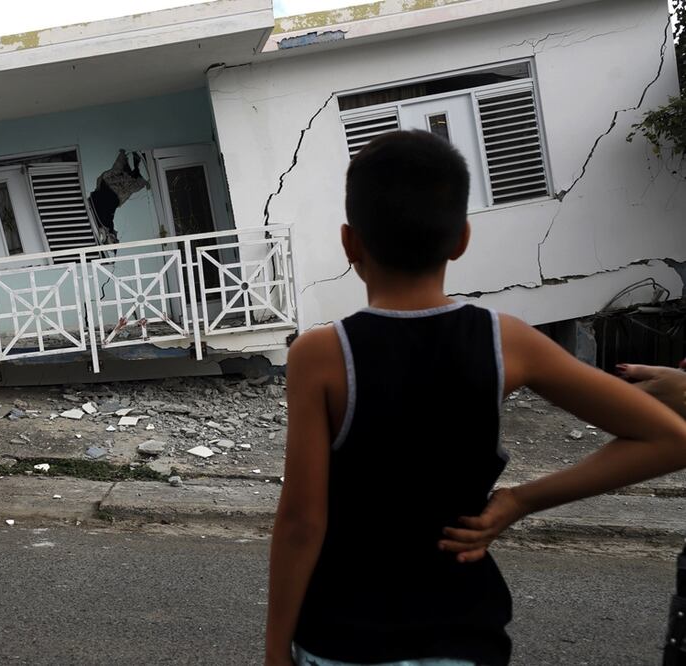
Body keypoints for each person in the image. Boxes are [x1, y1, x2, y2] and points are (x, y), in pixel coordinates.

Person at [265, 130, 686, 666]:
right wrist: (519, 499)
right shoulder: (505, 340)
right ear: (462, 238)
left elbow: (302, 520)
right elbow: (671, 438)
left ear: (350, 244)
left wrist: (276, 649)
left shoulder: (321, 354)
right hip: (464, 634)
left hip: (344, 637)